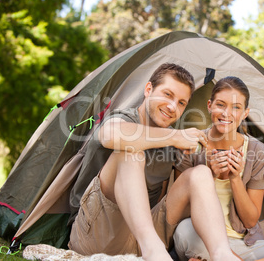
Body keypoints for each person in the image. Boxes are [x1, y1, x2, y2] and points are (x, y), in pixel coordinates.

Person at [68, 63, 241, 261]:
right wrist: (175, 136)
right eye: (167, 95)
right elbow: (109, 135)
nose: (172, 107)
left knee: (200, 174)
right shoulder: (126, 118)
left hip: (140, 239)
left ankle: (222, 254)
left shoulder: (171, 146)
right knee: (131, 151)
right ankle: (153, 251)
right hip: (95, 234)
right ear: (148, 89)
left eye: (181, 102)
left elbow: (167, 197)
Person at [173, 76, 264, 261]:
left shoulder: (258, 152)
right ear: (209, 105)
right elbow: (177, 211)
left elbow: (250, 221)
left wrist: (236, 178)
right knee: (184, 229)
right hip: (200, 238)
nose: (226, 113)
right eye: (220, 104)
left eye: (236, 107)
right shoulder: (192, 144)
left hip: (243, 245)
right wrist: (210, 176)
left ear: (245, 113)